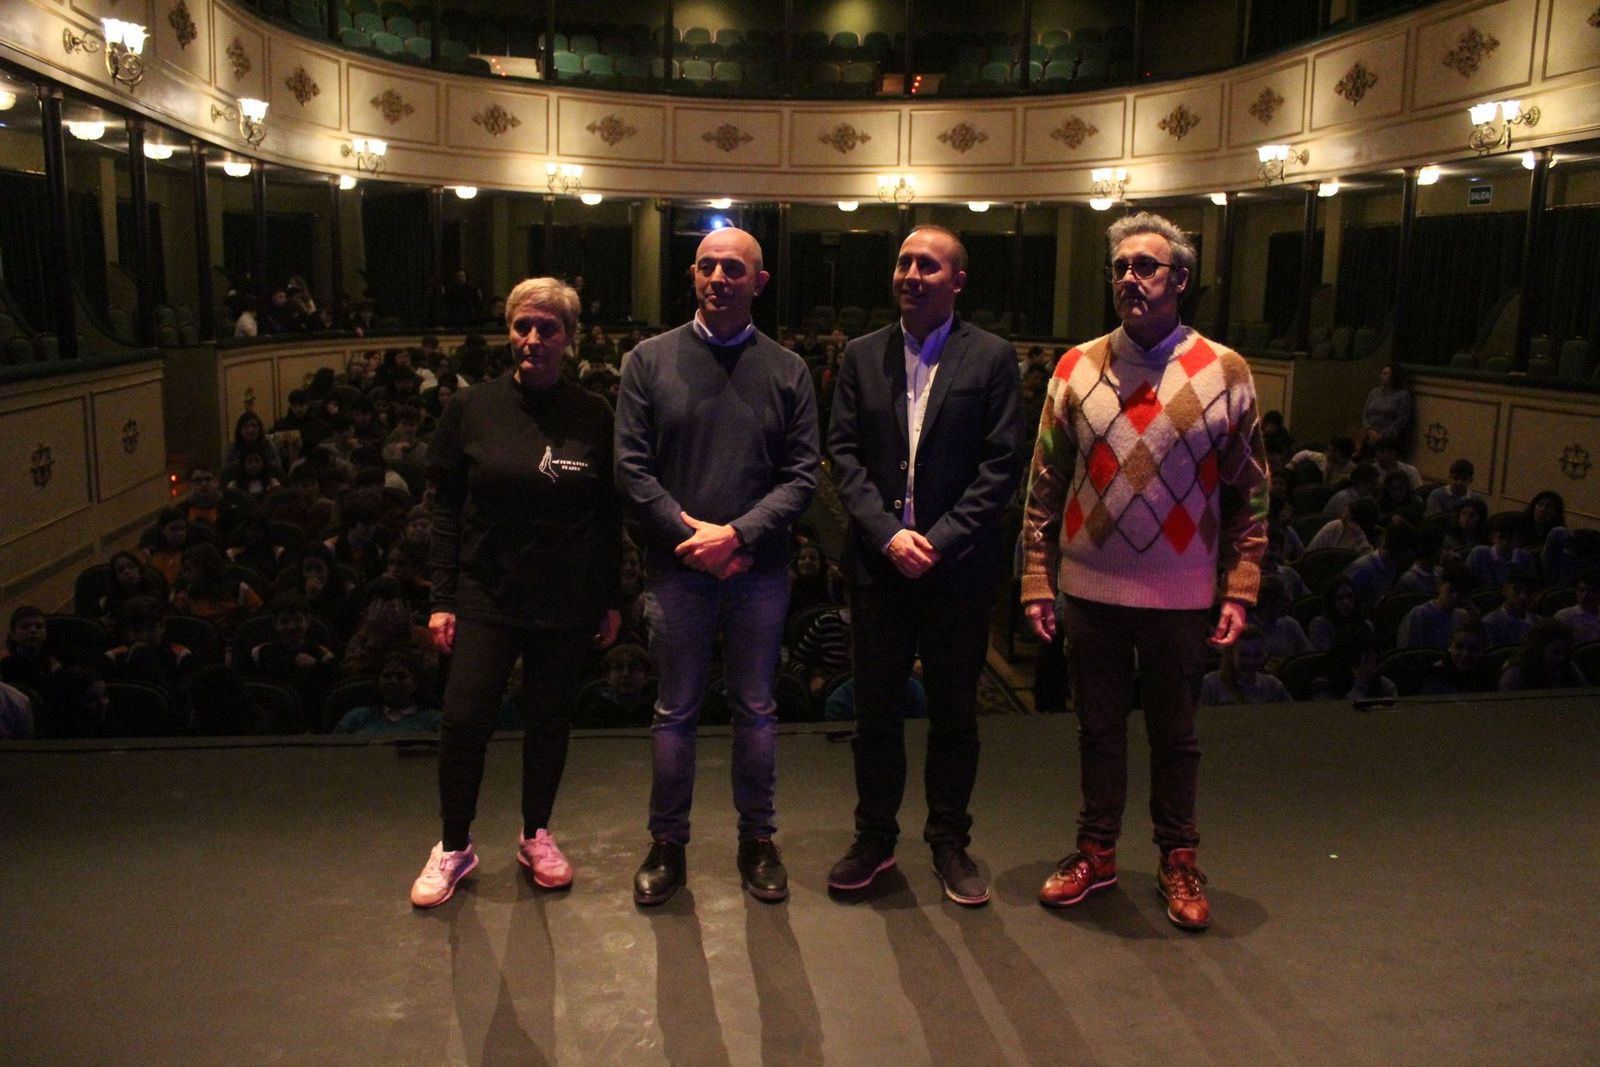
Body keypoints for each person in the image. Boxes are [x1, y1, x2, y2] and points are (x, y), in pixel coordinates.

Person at [1021, 212, 1270, 931]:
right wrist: (1037, 579)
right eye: (1121, 266)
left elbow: (1250, 491)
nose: (1130, 278)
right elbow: (1044, 482)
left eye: (1147, 267)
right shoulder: (1074, 366)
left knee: (1176, 732)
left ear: (1181, 280)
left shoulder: (1225, 369)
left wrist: (1240, 586)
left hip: (1182, 590)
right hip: (1090, 588)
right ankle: (1096, 851)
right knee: (1097, 728)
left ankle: (1178, 857)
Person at [614, 227, 819, 906]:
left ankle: (757, 839)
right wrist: (693, 537)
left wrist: (735, 535)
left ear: (759, 281)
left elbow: (800, 479)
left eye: (734, 268)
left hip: (757, 568)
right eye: (707, 266)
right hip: (677, 569)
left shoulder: (788, 369)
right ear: (692, 275)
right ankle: (667, 842)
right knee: (674, 711)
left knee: (757, 709)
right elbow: (632, 470)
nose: (718, 277)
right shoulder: (647, 360)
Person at [825, 224, 1027, 906]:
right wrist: (889, 536)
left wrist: (935, 540)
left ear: (958, 279)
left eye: (928, 264)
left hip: (957, 569)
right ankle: (874, 837)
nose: (911, 273)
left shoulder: (993, 358)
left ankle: (949, 841)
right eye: (904, 261)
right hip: (881, 568)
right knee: (876, 713)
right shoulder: (860, 356)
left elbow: (1001, 468)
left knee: (954, 715)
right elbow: (844, 457)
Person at [409, 276, 623, 910]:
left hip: (563, 598)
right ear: (510, 331)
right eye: (523, 327)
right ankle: (453, 846)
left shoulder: (593, 414)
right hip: (484, 591)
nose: (533, 340)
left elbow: (608, 516)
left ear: (570, 339)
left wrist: (609, 596)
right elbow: (443, 509)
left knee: (549, 721)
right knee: (464, 717)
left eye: (548, 329)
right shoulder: (470, 408)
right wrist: (441, 596)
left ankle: (536, 834)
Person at [1199, 626, 1292, 706]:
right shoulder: (1211, 685)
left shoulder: (1272, 686)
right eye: (1244, 655)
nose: (1250, 662)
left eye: (1256, 655)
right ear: (1230, 655)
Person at [1361, 363, 1412, 445]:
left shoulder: (1402, 395)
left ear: (1394, 377)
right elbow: (1365, 414)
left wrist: (1382, 435)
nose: (1382, 376)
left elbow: (1401, 419)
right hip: (1370, 434)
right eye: (1382, 373)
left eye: (1385, 374)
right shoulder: (1374, 392)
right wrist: (1369, 430)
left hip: (1389, 438)